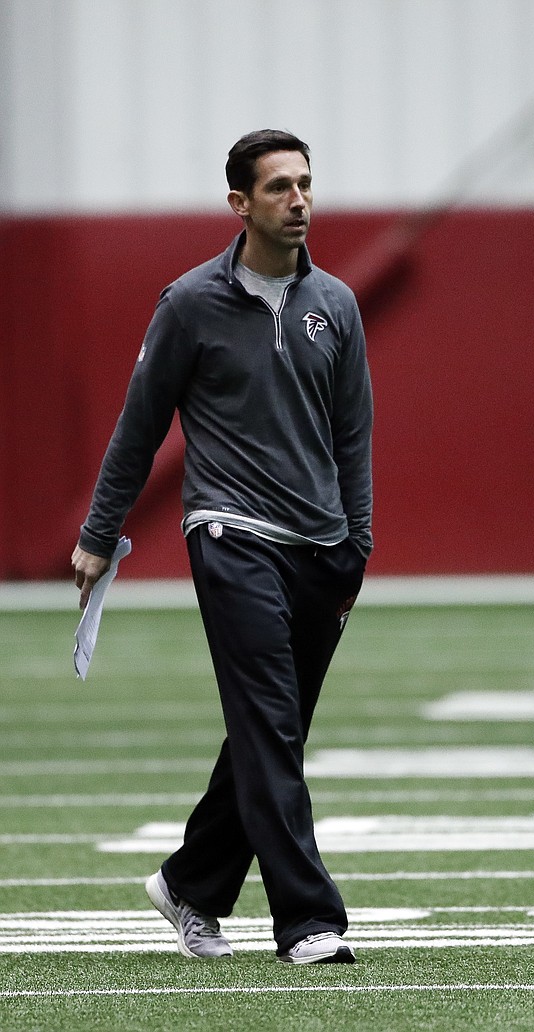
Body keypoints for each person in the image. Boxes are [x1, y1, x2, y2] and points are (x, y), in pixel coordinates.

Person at [71, 129, 373, 965]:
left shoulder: (337, 305)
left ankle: (192, 884)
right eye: (280, 188)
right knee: (270, 725)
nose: (300, 200)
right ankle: (308, 921)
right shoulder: (189, 303)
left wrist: (359, 550)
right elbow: (141, 425)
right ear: (240, 204)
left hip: (324, 547)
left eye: (306, 184)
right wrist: (100, 534)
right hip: (230, 533)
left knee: (271, 731)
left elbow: (355, 437)